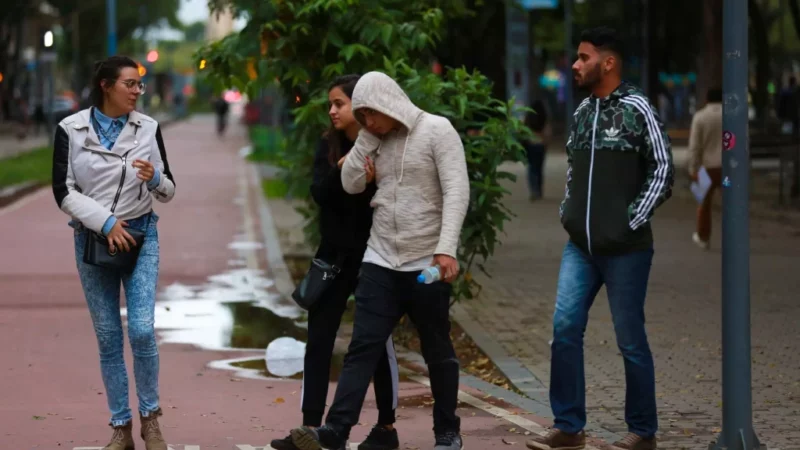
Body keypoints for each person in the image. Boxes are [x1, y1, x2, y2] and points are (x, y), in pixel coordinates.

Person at [288, 71, 470, 450]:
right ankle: (336, 430)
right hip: (380, 258)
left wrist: (446, 248)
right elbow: (352, 182)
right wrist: (368, 139)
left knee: (437, 348)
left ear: (388, 102)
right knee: (362, 347)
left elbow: (457, 191)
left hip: (426, 261)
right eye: (362, 115)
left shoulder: (438, 130)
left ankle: (447, 432)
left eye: (370, 113)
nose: (367, 122)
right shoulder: (374, 139)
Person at [526, 27, 673, 450]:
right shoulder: (582, 112)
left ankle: (642, 431)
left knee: (630, 340)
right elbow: (574, 169)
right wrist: (568, 212)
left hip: (627, 249)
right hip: (581, 247)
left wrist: (630, 220)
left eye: (583, 57)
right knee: (565, 328)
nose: (575, 65)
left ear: (608, 63)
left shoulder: (636, 108)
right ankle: (569, 426)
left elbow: (663, 168)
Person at [51, 55, 176, 450]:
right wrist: (106, 223)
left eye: (139, 84)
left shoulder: (148, 128)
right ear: (106, 86)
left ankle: (151, 420)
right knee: (108, 336)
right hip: (93, 241)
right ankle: (121, 427)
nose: (137, 91)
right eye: (130, 84)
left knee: (141, 330)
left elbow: (168, 190)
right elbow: (63, 191)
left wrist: (154, 177)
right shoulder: (70, 129)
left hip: (141, 237)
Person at [270, 74, 401, 450]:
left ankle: (386, 428)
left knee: (377, 343)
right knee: (319, 341)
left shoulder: (384, 144)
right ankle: (311, 429)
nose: (331, 110)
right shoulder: (328, 144)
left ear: (359, 106)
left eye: (338, 103)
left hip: (374, 257)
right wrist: (344, 167)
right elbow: (319, 194)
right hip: (332, 259)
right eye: (330, 104)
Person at [687, 88, 723, 250]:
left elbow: (695, 146)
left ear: (707, 100)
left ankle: (703, 237)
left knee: (703, 203)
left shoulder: (700, 117)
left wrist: (693, 168)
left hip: (706, 170)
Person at [522, 99, 551, 201]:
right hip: (540, 145)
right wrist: (546, 144)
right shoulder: (544, 118)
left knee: (531, 168)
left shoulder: (528, 118)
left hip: (530, 144)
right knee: (539, 169)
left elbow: (522, 131)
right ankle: (539, 190)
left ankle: (533, 190)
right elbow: (547, 133)